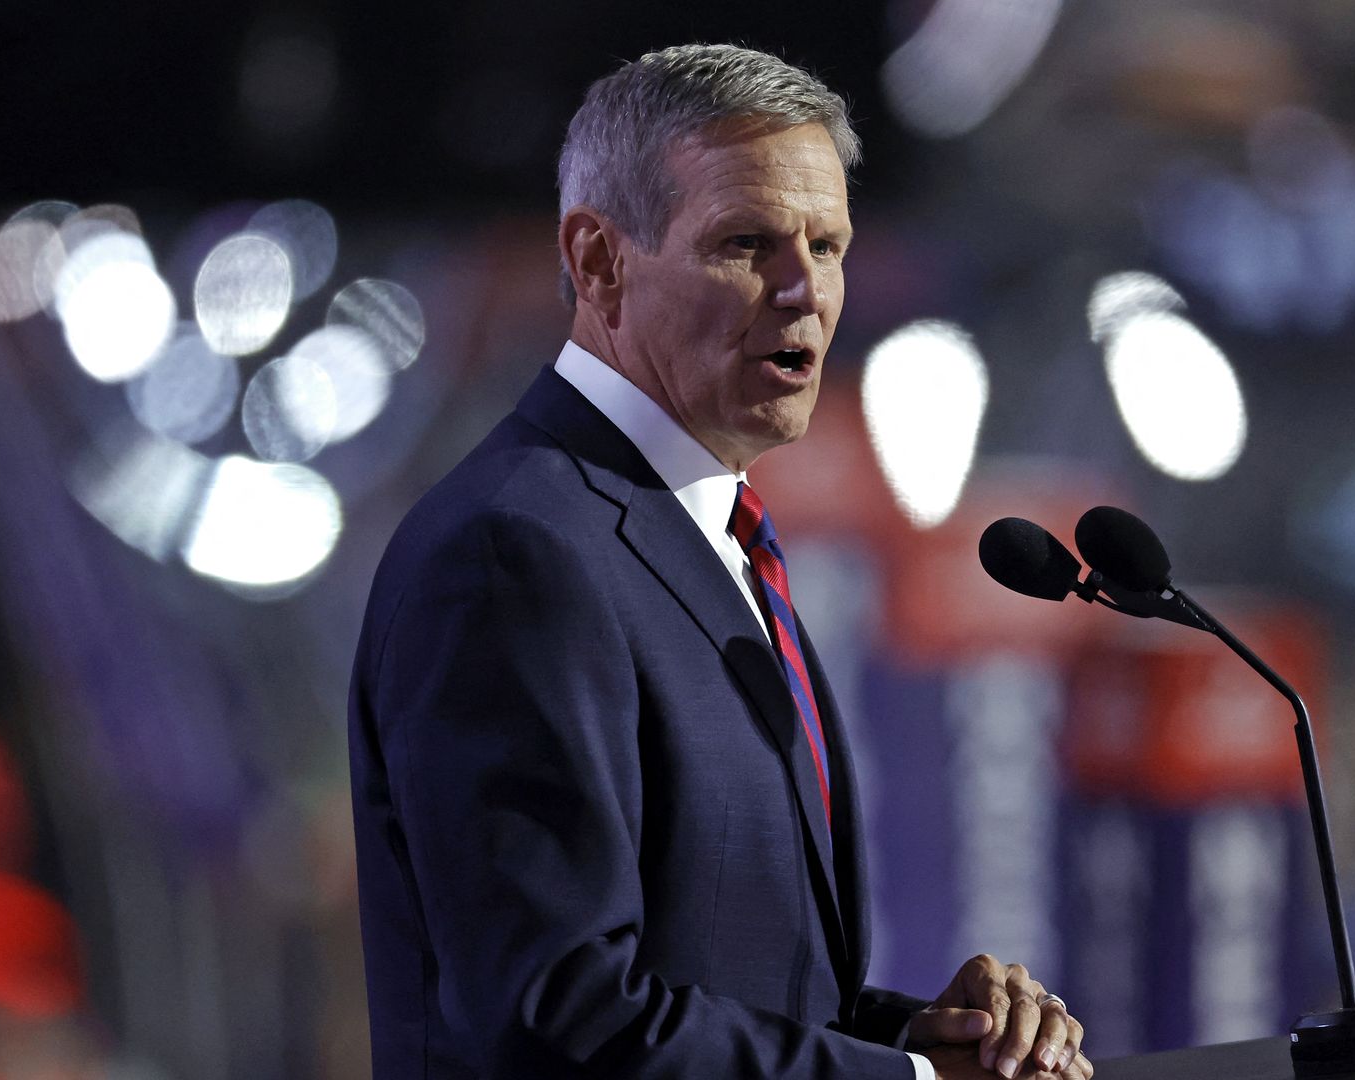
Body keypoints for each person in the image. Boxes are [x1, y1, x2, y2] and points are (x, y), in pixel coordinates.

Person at [347, 44, 1093, 1080]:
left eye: (827, 245)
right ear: (600, 261)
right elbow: (554, 1015)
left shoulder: (703, 536)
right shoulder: (516, 552)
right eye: (746, 244)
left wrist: (922, 1039)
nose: (805, 292)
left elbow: (723, 981)